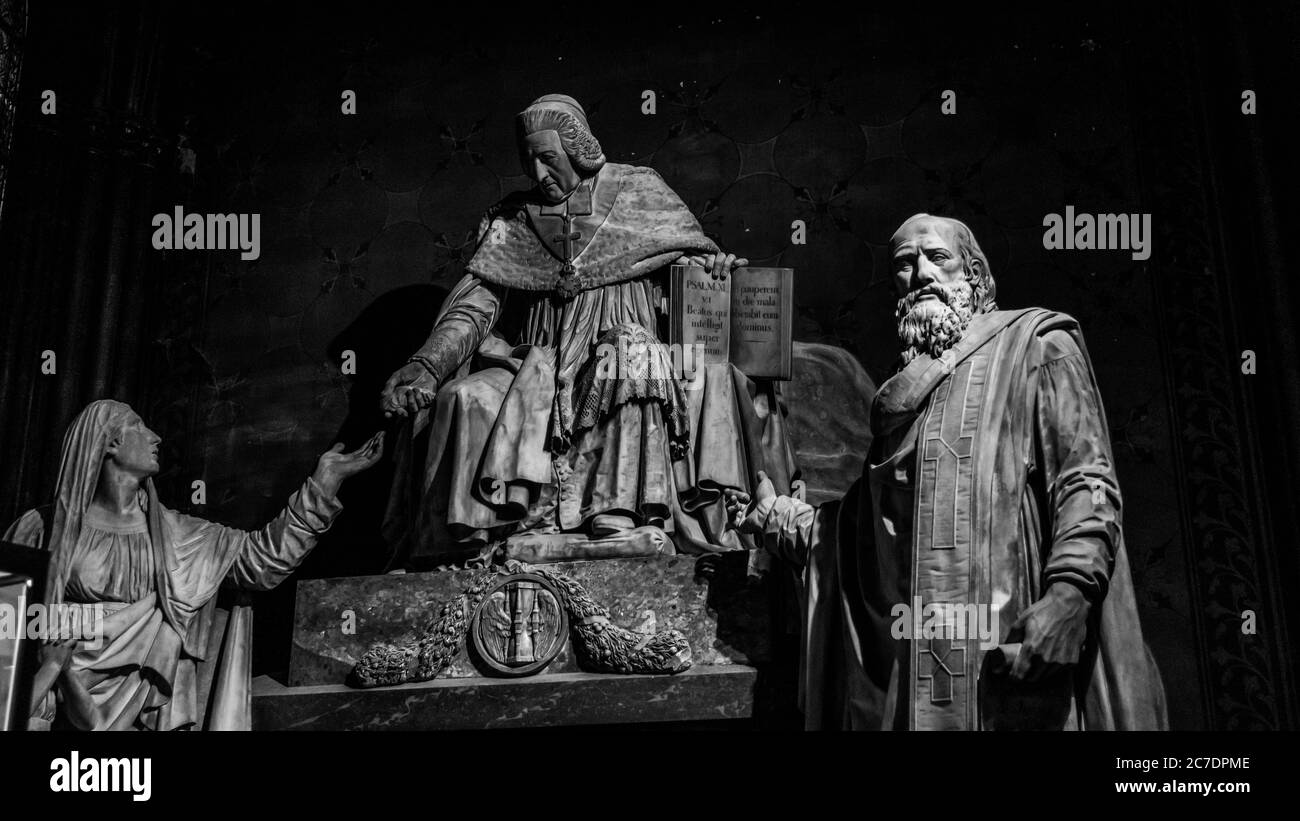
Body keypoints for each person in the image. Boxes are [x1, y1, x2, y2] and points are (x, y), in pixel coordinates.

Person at [725, 214, 1168, 730]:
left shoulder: (1035, 344)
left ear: (974, 274)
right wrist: (775, 516)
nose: (921, 273)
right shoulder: (905, 399)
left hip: (1012, 644)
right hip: (920, 668)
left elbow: (1084, 481)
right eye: (904, 264)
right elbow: (861, 536)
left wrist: (1069, 597)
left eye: (937, 257)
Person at [381, 94, 796, 567]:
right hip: (541, 363)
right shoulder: (513, 220)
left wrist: (715, 270)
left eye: (548, 158)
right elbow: (474, 308)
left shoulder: (638, 191)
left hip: (626, 346)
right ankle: (468, 552)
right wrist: (427, 364)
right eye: (528, 160)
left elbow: (693, 271)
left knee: (627, 353)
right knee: (465, 398)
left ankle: (615, 514)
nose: (538, 174)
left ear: (577, 150)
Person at [3, 399, 383, 730]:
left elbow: (264, 560)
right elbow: (6, 636)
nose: (156, 437)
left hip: (145, 701)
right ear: (111, 441)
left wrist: (323, 483)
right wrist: (51, 663)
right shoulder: (38, 530)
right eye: (138, 426)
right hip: (54, 707)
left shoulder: (182, 537)